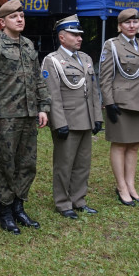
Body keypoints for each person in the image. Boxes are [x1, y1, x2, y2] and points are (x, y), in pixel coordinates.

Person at [0, 0, 50, 234]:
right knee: (5, 165)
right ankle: (5, 212)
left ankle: (19, 207)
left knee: (27, 163)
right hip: (6, 117)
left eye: (22, 16)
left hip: (29, 114)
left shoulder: (28, 45)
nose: (20, 20)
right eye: (14, 17)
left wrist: (43, 106)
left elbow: (38, 78)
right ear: (2, 22)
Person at [40, 15, 102, 219]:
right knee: (64, 165)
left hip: (85, 119)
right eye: (74, 34)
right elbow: (53, 95)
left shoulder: (85, 58)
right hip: (67, 120)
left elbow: (93, 91)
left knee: (83, 164)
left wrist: (97, 117)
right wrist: (59, 123)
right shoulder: (53, 61)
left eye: (80, 35)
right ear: (62, 37)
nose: (79, 38)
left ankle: (79, 200)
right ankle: (62, 202)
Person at [99, 8, 139, 206]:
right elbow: (105, 76)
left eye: (135, 22)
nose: (132, 26)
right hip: (120, 103)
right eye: (127, 23)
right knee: (120, 144)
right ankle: (121, 187)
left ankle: (131, 185)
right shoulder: (111, 45)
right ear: (120, 26)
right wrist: (109, 102)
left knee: (134, 145)